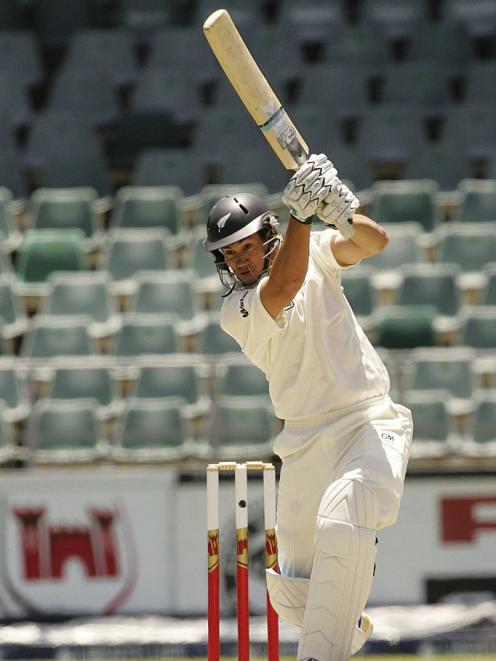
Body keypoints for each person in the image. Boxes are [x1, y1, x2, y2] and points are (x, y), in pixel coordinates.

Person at [204, 154, 413, 661]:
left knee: (346, 517)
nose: (240, 261)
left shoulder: (317, 248)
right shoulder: (236, 310)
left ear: (268, 236)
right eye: (230, 254)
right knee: (296, 596)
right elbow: (285, 287)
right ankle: (346, 615)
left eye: (247, 246)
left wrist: (342, 210)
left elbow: (374, 242)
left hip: (367, 419)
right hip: (302, 442)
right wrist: (303, 213)